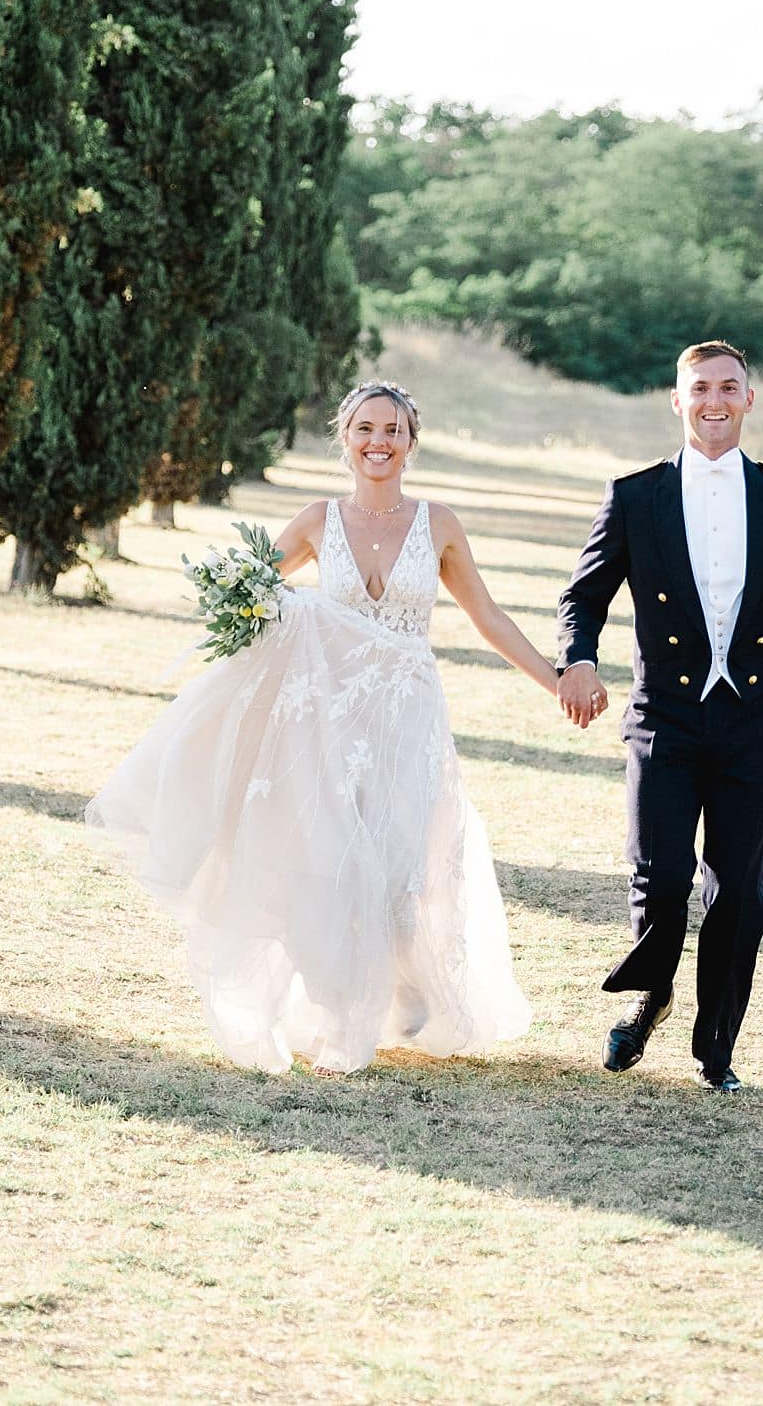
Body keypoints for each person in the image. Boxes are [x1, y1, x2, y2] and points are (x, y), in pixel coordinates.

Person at [87, 381, 573, 1076]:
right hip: (330, 718)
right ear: (344, 439)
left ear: (411, 442)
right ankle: (341, 1011)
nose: (379, 442)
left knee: (404, 863)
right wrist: (243, 606)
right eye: (366, 429)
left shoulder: (439, 525)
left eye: (394, 430)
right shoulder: (318, 522)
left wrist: (555, 680)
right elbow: (250, 593)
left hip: (408, 714)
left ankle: (405, 988)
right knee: (328, 859)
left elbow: (488, 618)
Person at [556, 340, 763, 1092]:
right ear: (678, 400)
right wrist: (578, 658)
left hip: (752, 720)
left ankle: (716, 1049)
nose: (714, 401)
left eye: (729, 387)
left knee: (739, 895)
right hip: (663, 716)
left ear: (749, 400)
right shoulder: (635, 497)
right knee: (660, 877)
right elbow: (584, 596)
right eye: (699, 388)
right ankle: (653, 992)